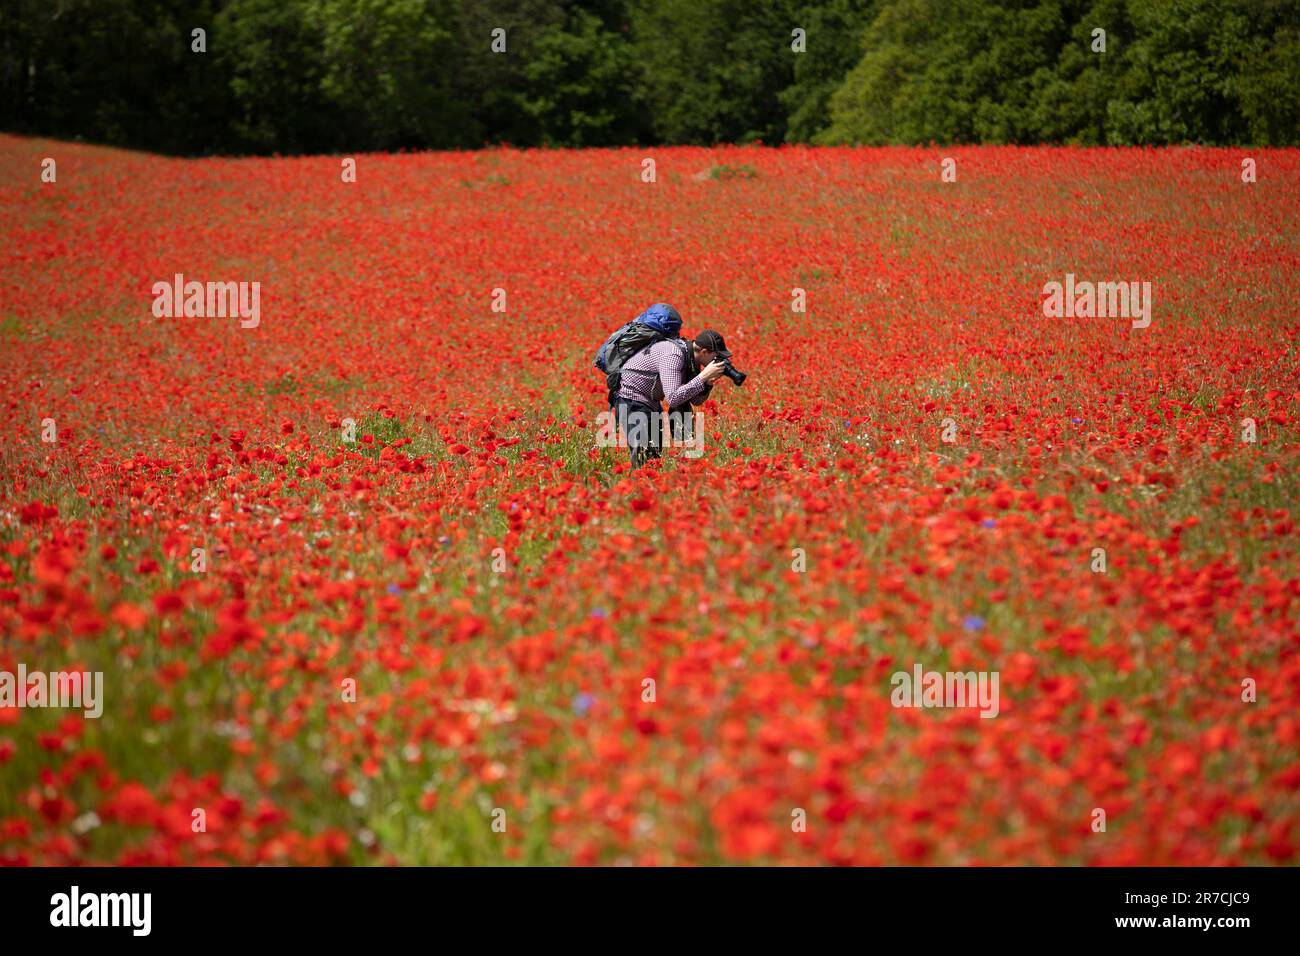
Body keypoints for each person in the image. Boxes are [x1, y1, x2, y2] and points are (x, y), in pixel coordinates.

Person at [614, 327, 732, 468]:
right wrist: (703, 377)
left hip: (650, 402)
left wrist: (708, 383)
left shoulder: (691, 359)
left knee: (653, 457)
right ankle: (635, 487)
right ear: (704, 352)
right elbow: (673, 398)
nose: (718, 361)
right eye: (716, 357)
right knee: (643, 456)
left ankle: (647, 486)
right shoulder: (674, 355)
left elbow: (695, 400)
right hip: (631, 400)